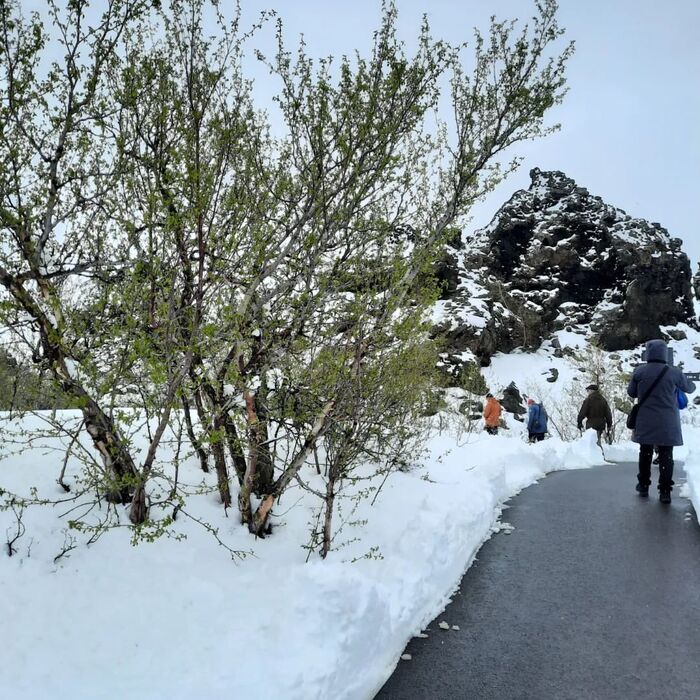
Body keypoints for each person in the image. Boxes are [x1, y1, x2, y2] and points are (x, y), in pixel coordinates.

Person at [627, 339, 695, 504]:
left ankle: (643, 485)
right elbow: (690, 388)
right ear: (664, 353)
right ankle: (665, 491)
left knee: (645, 452)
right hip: (667, 422)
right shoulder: (674, 372)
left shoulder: (640, 372)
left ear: (648, 353)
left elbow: (632, 393)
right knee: (666, 455)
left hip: (646, 420)